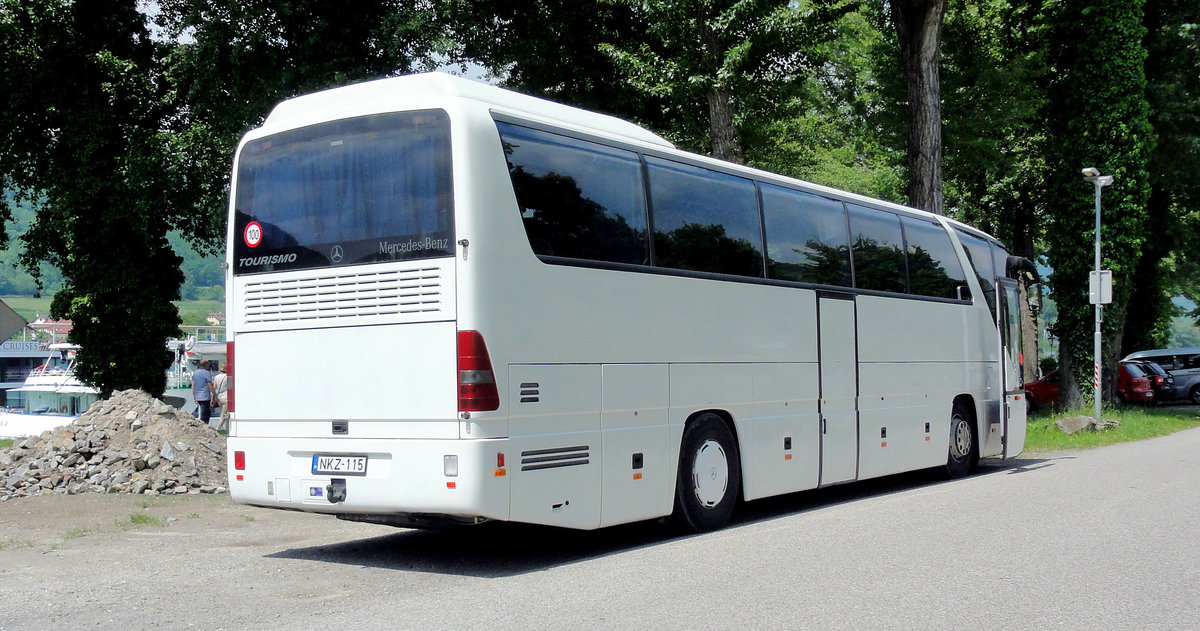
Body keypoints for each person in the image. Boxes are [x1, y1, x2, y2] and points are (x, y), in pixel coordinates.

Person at [192, 359, 213, 427]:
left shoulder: (195, 373)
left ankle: (202, 426)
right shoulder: (207, 373)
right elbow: (210, 385)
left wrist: (194, 396)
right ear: (206, 365)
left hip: (198, 395)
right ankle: (204, 426)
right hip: (205, 395)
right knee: (206, 413)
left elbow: (193, 385)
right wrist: (214, 395)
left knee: (202, 412)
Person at [212, 362, 231, 431]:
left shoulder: (216, 377)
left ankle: (228, 429)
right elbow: (230, 388)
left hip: (219, 398)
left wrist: (213, 399)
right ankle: (218, 428)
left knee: (225, 414)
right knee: (224, 415)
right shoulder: (228, 377)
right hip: (226, 397)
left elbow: (214, 387)